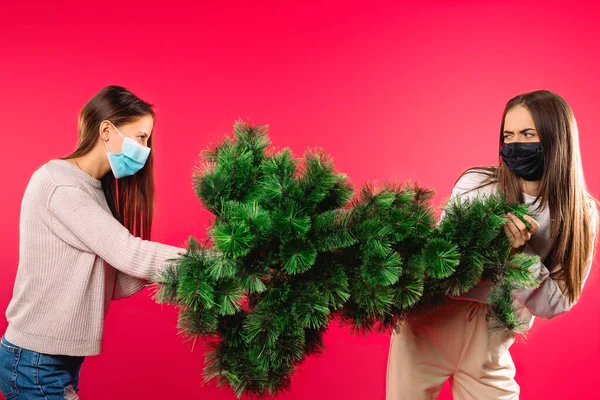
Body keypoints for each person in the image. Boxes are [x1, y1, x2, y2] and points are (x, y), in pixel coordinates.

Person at [386, 90, 599, 400]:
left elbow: (558, 302)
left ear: (557, 139)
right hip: (429, 325)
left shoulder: (582, 214)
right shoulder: (478, 184)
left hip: (491, 339)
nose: (515, 145)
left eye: (528, 134)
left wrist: (521, 256)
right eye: (508, 136)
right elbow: (440, 262)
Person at [0, 85, 186, 399]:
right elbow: (128, 253)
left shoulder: (92, 189)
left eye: (147, 139)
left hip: (52, 360)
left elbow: (110, 281)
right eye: (140, 137)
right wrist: (203, 260)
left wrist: (165, 272)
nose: (145, 148)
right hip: (35, 362)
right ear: (106, 130)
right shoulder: (61, 185)